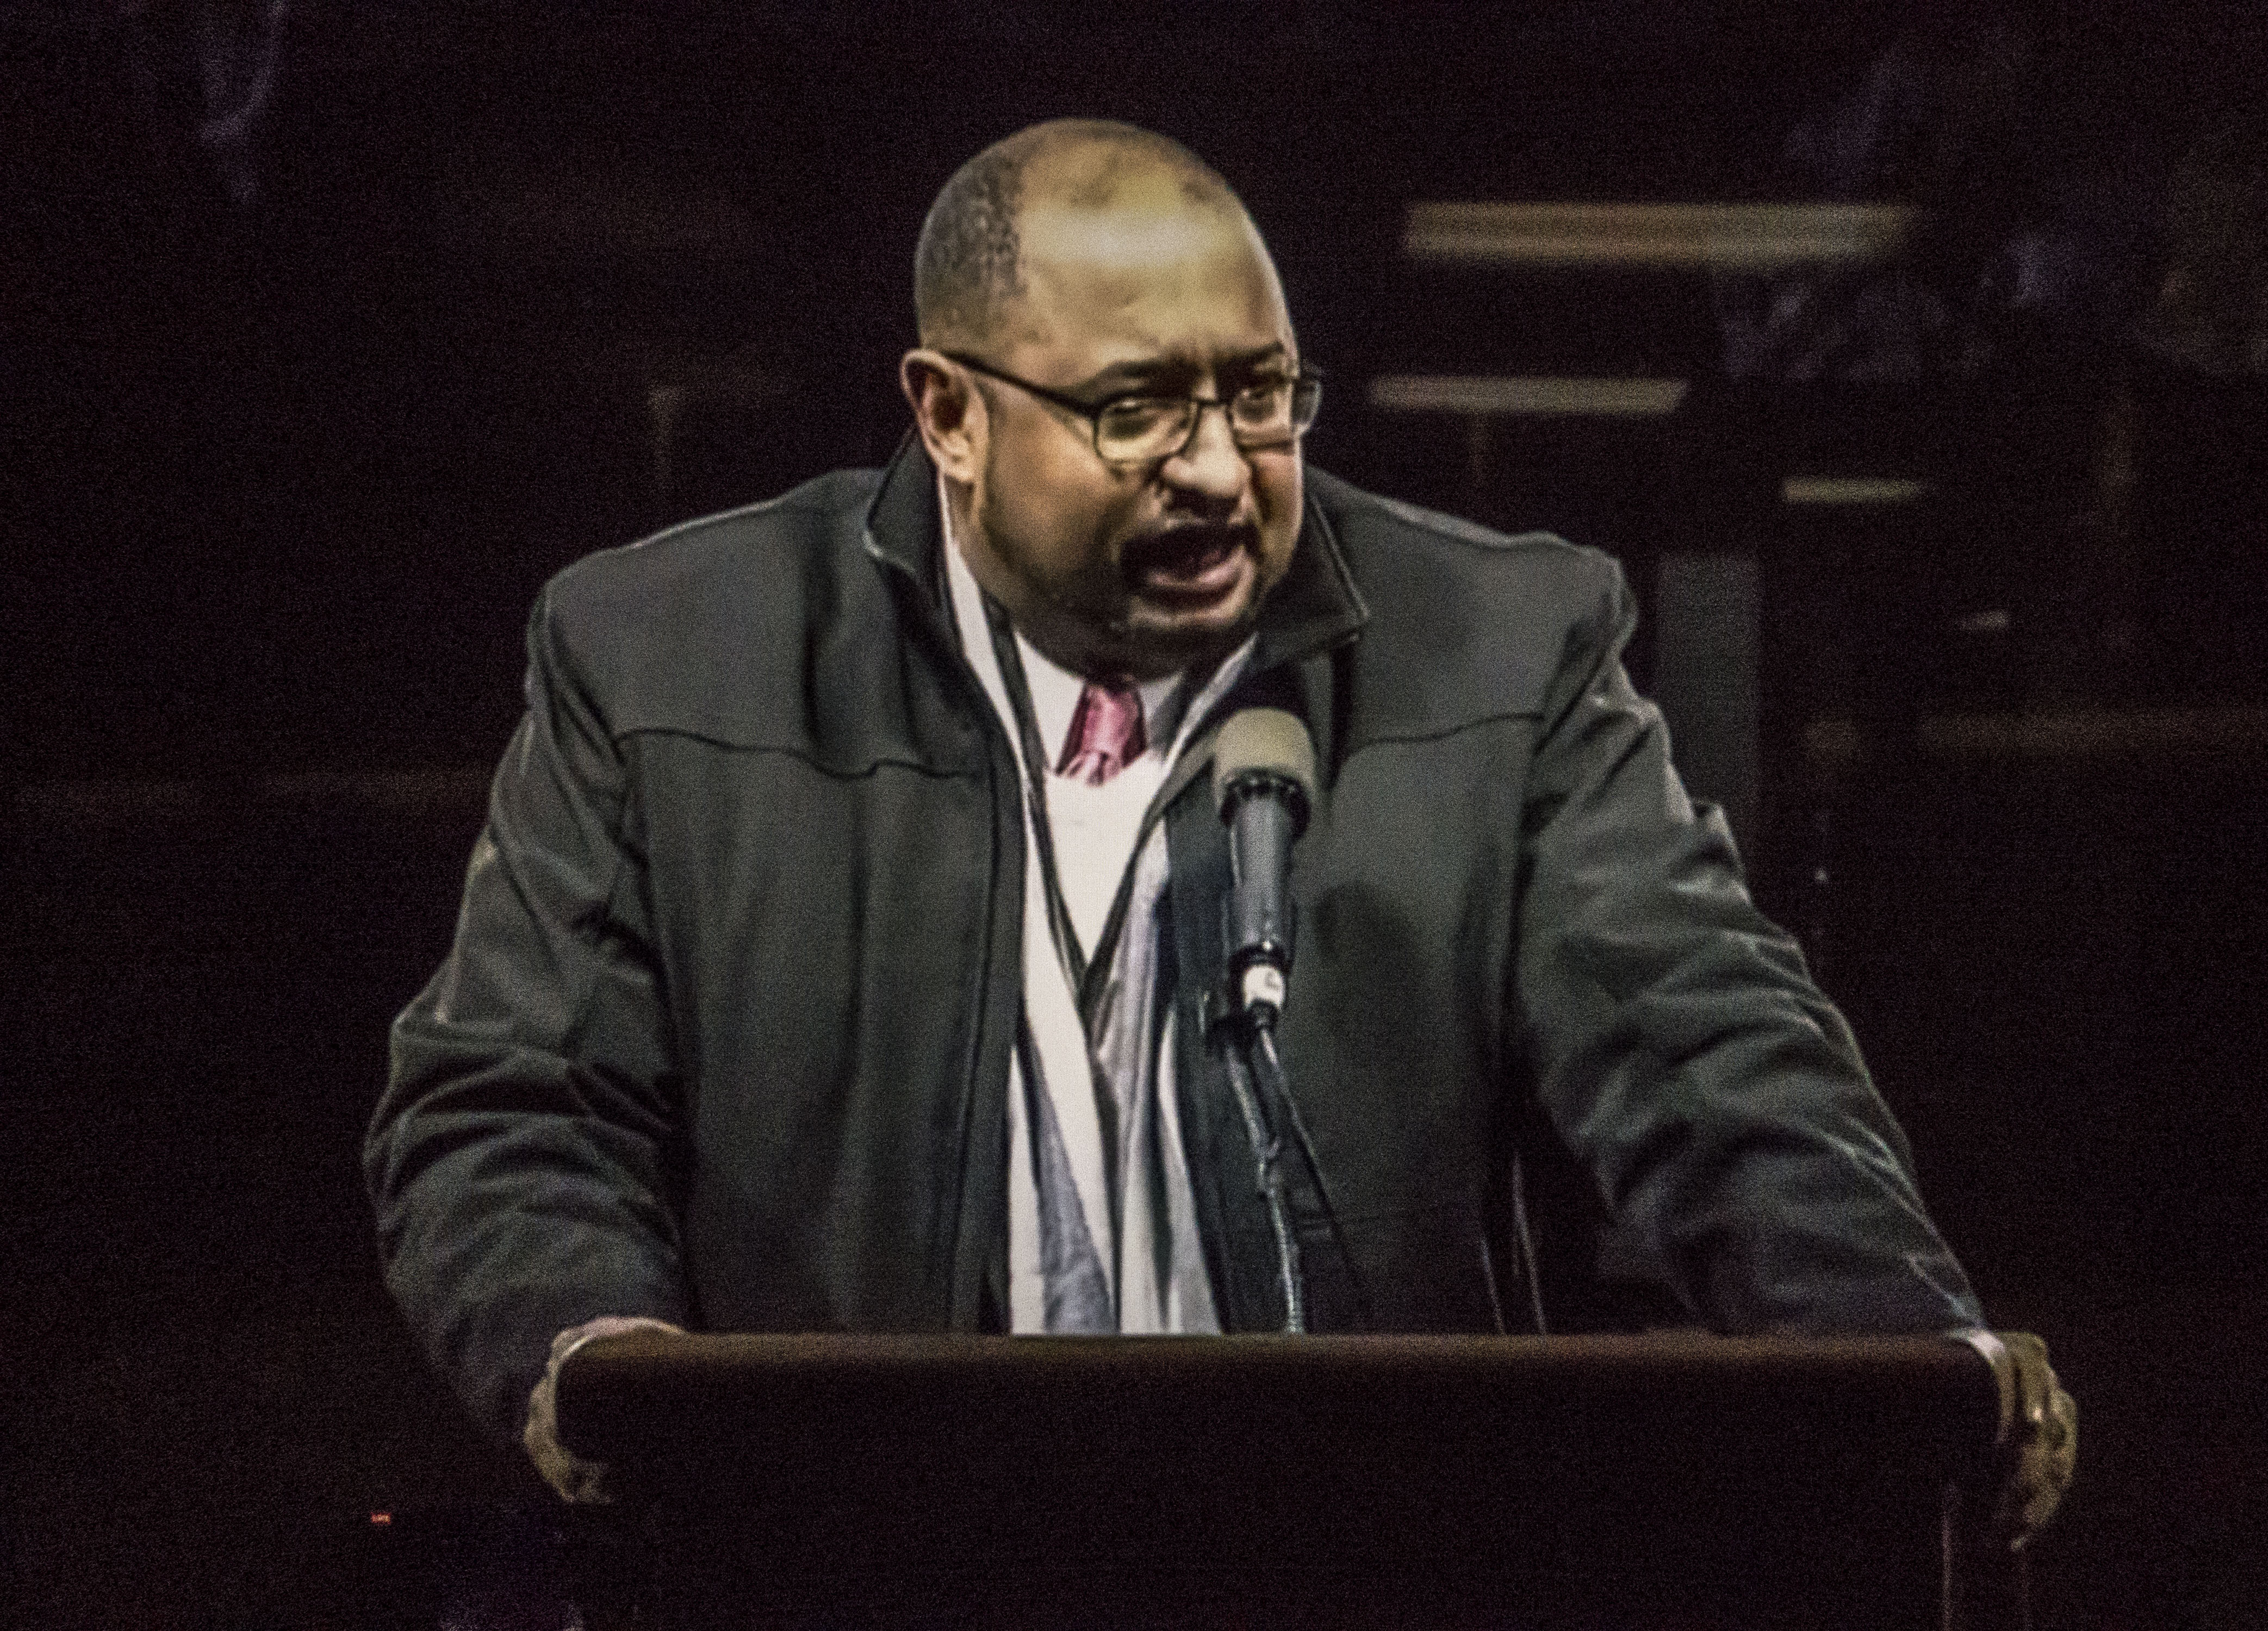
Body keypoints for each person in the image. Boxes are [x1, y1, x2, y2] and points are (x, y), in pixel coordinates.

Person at [364, 119, 2073, 1540]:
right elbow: (508, 1107)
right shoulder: (663, 656)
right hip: (851, 1555)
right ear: (948, 414)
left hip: (1371, 1560)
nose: (1214, 470)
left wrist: (1899, 1356)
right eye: (1134, 409)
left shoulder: (1505, 645)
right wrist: (592, 1362)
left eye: (1261, 398)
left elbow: (1711, 1057)